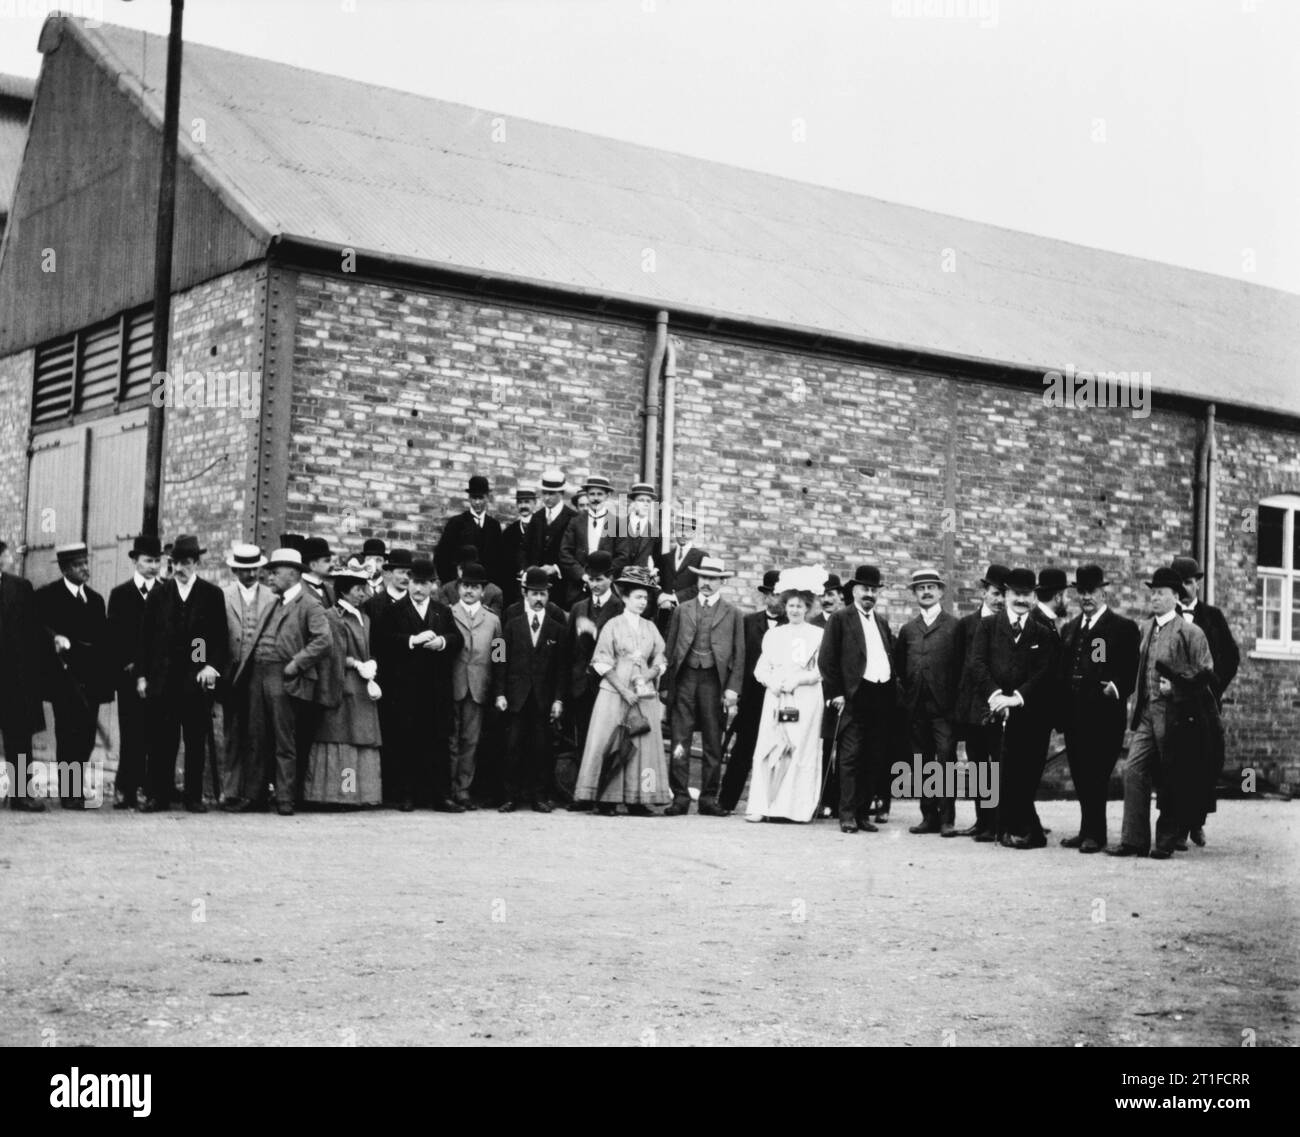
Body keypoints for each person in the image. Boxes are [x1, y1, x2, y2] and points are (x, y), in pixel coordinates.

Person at [1108, 566, 1216, 859]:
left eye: (1161, 593)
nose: (1154, 598)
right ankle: (1134, 839)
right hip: (1146, 712)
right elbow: (1131, 665)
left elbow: (1206, 672)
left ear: (1175, 597)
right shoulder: (1144, 629)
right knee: (1133, 770)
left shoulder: (1190, 632)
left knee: (1172, 776)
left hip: (1176, 717)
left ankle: (1165, 841)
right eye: (1152, 592)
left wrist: (1177, 687)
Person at [234, 547, 332, 815]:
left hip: (286, 677)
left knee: (284, 740)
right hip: (260, 675)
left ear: (292, 574)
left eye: (275, 572)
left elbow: (324, 640)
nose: (269, 578)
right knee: (256, 737)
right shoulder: (273, 604)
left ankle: (285, 798)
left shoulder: (310, 604)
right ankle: (253, 796)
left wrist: (296, 664)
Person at [967, 567, 1060, 848]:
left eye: (1026, 595)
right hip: (994, 711)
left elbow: (1044, 673)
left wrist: (1016, 698)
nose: (1021, 599)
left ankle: (1022, 829)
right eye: (1016, 593)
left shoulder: (1043, 633)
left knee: (1023, 773)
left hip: (1028, 714)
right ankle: (1003, 827)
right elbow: (978, 664)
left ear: (1034, 597)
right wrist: (995, 696)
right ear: (1006, 594)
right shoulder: (988, 626)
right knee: (998, 770)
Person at [136, 535, 229, 812]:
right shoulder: (159, 594)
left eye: (186, 563)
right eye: (175, 562)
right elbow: (145, 639)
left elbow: (218, 638)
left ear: (196, 563)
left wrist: (210, 666)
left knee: (195, 740)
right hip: (163, 681)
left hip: (195, 681)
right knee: (162, 741)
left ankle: (193, 796)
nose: (180, 568)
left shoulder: (211, 595)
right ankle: (159, 795)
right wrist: (142, 676)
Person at [572, 566, 671, 816]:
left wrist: (648, 675)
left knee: (643, 743)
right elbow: (601, 661)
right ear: (625, 598)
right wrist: (623, 690)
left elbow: (661, 658)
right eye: (637, 597)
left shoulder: (650, 628)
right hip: (614, 693)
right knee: (609, 741)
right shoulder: (612, 626)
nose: (642, 602)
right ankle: (606, 799)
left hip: (643, 694)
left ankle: (638, 799)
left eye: (645, 598)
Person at [1057, 564, 1139, 853]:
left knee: (1096, 774)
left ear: (1104, 592)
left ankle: (1096, 834)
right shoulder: (1070, 629)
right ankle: (1086, 830)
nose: (1086, 597)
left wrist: (1114, 688)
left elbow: (1130, 671)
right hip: (1075, 715)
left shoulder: (1121, 628)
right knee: (1080, 773)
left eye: (1091, 591)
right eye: (1081, 592)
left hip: (1103, 717)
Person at [374, 557, 463, 811]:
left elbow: (458, 639)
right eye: (414, 582)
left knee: (438, 742)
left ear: (433, 585)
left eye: (424, 583)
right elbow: (383, 642)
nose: (418, 588)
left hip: (436, 689)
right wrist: (413, 639)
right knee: (406, 741)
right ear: (408, 582)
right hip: (405, 688)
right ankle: (406, 794)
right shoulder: (393, 610)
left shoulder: (442, 610)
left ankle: (441, 796)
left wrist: (443, 642)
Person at [662, 555, 745, 816]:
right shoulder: (682, 610)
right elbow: (670, 647)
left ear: (721, 582)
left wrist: (733, 689)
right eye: (703, 577)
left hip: (714, 682)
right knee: (680, 739)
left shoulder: (733, 614)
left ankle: (709, 798)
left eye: (712, 579)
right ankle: (680, 797)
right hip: (685, 679)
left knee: (712, 740)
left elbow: (739, 654)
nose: (706, 583)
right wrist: (666, 686)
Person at [820, 565, 900, 834]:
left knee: (873, 757)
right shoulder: (840, 619)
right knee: (850, 756)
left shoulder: (882, 622)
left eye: (873, 590)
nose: (869, 594)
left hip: (881, 697)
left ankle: (864, 813)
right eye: (864, 589)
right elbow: (827, 660)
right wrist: (836, 694)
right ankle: (847, 814)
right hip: (855, 696)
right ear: (854, 591)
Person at [745, 568, 826, 823]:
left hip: (805, 698)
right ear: (784, 606)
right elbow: (761, 668)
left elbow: (820, 671)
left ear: (808, 608)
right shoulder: (775, 634)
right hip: (777, 696)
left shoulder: (818, 635)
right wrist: (774, 683)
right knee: (770, 748)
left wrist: (798, 680)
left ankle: (796, 809)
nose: (794, 610)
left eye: (800, 606)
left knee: (800, 750)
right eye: (791, 605)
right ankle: (762, 805)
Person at [36, 543, 113, 809]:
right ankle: (69, 793)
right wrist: (54, 638)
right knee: (68, 734)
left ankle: (75, 787)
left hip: (91, 681)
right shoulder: (48, 596)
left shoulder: (95, 599)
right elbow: (37, 628)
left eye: (85, 563)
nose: (84, 569)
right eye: (78, 565)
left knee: (87, 736)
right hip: (64, 681)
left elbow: (103, 641)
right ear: (65, 568)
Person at [1169, 555, 1239, 847]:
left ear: (1197, 583)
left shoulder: (1213, 617)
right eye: (1181, 583)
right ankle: (1177, 827)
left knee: (1204, 761)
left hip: (1204, 703)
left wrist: (1213, 687)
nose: (1187, 589)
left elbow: (1230, 657)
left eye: (1190, 582)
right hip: (1173, 702)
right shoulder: (1166, 617)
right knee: (1175, 764)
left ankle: (1196, 822)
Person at [303, 568, 384, 808]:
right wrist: (356, 663)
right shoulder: (333, 616)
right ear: (344, 591)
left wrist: (370, 662)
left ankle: (357, 794)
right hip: (343, 684)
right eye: (358, 589)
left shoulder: (363, 616)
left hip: (363, 686)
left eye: (364, 588)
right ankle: (340, 794)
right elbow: (333, 653)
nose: (363, 593)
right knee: (342, 739)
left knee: (359, 738)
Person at [894, 567, 965, 836]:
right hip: (916, 707)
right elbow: (901, 665)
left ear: (940, 592)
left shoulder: (954, 626)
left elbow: (961, 667)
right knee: (922, 763)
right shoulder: (908, 630)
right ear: (914, 593)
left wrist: (955, 703)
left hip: (944, 708)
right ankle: (928, 816)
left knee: (945, 760)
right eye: (920, 588)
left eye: (930, 587)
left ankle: (947, 819)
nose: (926, 591)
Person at [495, 567, 566, 812]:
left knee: (541, 748)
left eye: (543, 594)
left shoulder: (556, 627)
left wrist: (558, 699)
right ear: (525, 593)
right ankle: (509, 796)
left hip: (543, 698)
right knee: (512, 746)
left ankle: (539, 797)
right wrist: (500, 692)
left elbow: (560, 668)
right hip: (516, 696)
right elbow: (499, 656)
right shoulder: (511, 621)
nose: (538, 599)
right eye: (534, 593)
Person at [717, 569, 786, 813]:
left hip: (780, 698)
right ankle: (726, 802)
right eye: (773, 594)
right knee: (743, 751)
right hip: (752, 699)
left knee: (778, 750)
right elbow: (738, 660)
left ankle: (772, 805)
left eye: (782, 595)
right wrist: (735, 694)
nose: (777, 600)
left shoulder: (792, 626)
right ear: (766, 596)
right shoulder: (748, 623)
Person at [562, 550, 623, 810]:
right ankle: (583, 794)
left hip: (608, 685)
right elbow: (567, 649)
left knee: (607, 741)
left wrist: (594, 634)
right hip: (581, 686)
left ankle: (605, 797)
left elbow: (622, 648)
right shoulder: (578, 607)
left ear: (610, 578)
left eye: (599, 579)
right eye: (591, 579)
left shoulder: (620, 608)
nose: (595, 585)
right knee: (583, 739)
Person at [105, 534, 162, 809]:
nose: (153, 566)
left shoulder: (166, 592)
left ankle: (148, 788)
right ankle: (124, 787)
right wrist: (128, 663)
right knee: (131, 731)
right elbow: (114, 637)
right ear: (135, 562)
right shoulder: (121, 594)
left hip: (158, 676)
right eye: (148, 561)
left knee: (154, 732)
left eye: (157, 561)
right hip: (128, 676)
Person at [218, 544, 276, 811]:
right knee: (233, 733)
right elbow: (205, 635)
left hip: (262, 675)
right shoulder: (222, 596)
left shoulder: (272, 597)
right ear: (235, 570)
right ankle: (230, 791)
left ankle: (256, 792)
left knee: (259, 735)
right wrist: (203, 665)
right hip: (232, 675)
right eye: (244, 569)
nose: (250, 573)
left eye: (254, 568)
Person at [953, 563, 1008, 839]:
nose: (999, 600)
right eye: (995, 593)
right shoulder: (966, 625)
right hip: (972, 709)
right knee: (977, 765)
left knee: (997, 764)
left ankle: (997, 822)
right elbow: (960, 667)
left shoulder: (1008, 625)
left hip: (998, 707)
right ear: (984, 592)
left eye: (1003, 595)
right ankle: (981, 820)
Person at [449, 562, 504, 809]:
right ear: (459, 587)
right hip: (453, 684)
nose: (469, 591)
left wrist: (497, 689)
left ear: (483, 591)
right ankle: (447, 788)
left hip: (478, 687)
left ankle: (463, 790)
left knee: (470, 741)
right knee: (450, 739)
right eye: (465, 586)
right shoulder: (447, 613)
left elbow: (499, 657)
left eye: (475, 587)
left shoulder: (493, 620)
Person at [1, 565, 55, 811]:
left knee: (19, 736)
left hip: (15, 678)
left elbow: (35, 632)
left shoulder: (21, 587)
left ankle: (21, 794)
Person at [436, 475, 504, 590]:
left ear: (487, 498)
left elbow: (498, 561)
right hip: (461, 587)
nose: (477, 502)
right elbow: (442, 557)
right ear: (469, 498)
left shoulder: (494, 526)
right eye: (474, 498)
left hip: (484, 588)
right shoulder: (456, 523)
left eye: (481, 498)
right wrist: (452, 584)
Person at [558, 475, 617, 607]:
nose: (595, 498)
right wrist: (583, 576)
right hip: (578, 589)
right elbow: (565, 553)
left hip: (607, 589)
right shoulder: (576, 522)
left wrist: (602, 578)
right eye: (592, 494)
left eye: (600, 494)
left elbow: (622, 556)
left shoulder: (617, 523)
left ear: (607, 496)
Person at [527, 468, 578, 608]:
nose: (546, 498)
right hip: (536, 585)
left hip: (561, 586)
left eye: (551, 494)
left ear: (561, 494)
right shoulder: (536, 517)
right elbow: (527, 547)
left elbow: (576, 552)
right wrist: (528, 568)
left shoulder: (573, 518)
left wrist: (556, 568)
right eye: (544, 493)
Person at [654, 517, 705, 635]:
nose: (683, 533)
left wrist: (674, 598)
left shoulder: (701, 557)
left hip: (688, 614)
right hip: (664, 614)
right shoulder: (665, 558)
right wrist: (661, 596)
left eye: (687, 530)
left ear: (693, 533)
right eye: (679, 529)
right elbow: (655, 583)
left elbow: (700, 586)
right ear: (674, 531)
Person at [439, 544, 505, 615]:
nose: (465, 573)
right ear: (457, 568)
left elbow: (494, 621)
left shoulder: (494, 592)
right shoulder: (446, 589)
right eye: (462, 568)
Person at [501, 489, 538, 610]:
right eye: (520, 502)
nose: (523, 506)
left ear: (534, 503)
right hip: (514, 589)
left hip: (536, 587)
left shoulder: (541, 528)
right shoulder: (509, 532)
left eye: (527, 502)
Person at [612, 482, 658, 577]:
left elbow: (657, 560)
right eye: (641, 500)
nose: (645, 504)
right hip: (618, 578)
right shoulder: (618, 525)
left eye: (648, 501)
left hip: (641, 581)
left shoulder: (655, 532)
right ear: (633, 502)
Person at [300, 537, 336, 608]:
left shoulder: (330, 589)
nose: (332, 564)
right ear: (313, 565)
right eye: (327, 561)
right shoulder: (297, 590)